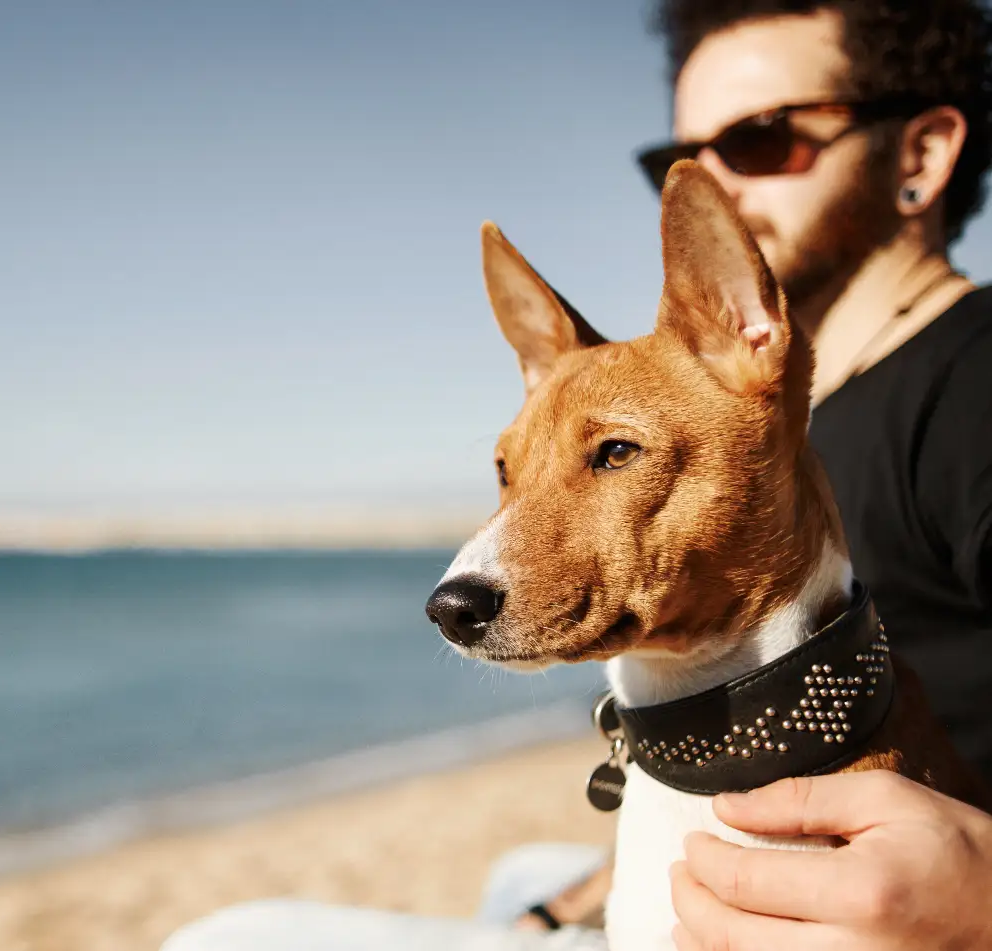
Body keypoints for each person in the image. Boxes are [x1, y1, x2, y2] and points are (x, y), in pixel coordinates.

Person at [163, 0, 992, 946]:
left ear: (922, 152)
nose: (712, 178)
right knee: (518, 873)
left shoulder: (970, 379)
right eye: (679, 156)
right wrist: (573, 903)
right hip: (686, 813)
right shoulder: (775, 406)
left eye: (761, 139)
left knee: (229, 937)